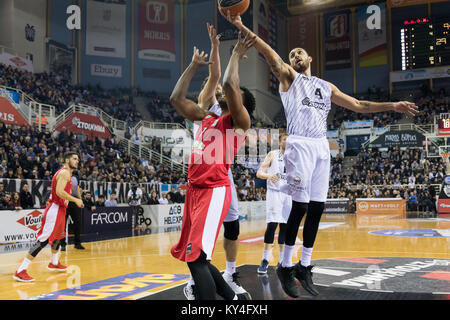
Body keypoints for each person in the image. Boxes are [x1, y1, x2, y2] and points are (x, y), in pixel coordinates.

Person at [225, 11, 419, 297]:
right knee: (300, 208)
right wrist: (242, 26)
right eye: (291, 54)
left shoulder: (325, 87)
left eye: (300, 52)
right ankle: (285, 265)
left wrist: (392, 106)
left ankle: (305, 265)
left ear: (310, 58)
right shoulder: (289, 79)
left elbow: (359, 104)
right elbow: (268, 54)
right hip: (300, 144)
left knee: (316, 208)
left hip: (321, 146)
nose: (295, 55)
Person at [169, 29, 256, 300]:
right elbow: (175, 99)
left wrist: (236, 55)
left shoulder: (239, 123)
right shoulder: (206, 116)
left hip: (214, 189)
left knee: (196, 258)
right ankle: (233, 300)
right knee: (196, 257)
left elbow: (227, 81)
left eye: (234, 95)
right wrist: (194, 65)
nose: (225, 93)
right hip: (195, 190)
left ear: (240, 103)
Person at [13, 152, 84, 282]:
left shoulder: (66, 173)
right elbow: (59, 192)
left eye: (77, 159)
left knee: (58, 237)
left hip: (60, 209)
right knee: (43, 240)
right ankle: (21, 270)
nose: (77, 161)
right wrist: (76, 200)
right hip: (55, 210)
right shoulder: (64, 173)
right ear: (67, 160)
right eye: (74, 159)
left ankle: (54, 262)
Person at [256, 133, 291, 274]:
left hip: (287, 195)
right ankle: (265, 259)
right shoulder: (273, 154)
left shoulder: (294, 157)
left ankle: (282, 261)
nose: (287, 142)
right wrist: (268, 175)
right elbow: (259, 172)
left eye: (289, 140)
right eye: (284, 140)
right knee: (271, 226)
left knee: (285, 227)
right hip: (274, 194)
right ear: (280, 142)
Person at [61, 170, 85, 251]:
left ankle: (77, 244)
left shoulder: (75, 177)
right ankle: (62, 244)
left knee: (78, 222)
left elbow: (77, 188)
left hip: (75, 200)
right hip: (65, 200)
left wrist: (80, 200)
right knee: (63, 224)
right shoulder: (63, 175)